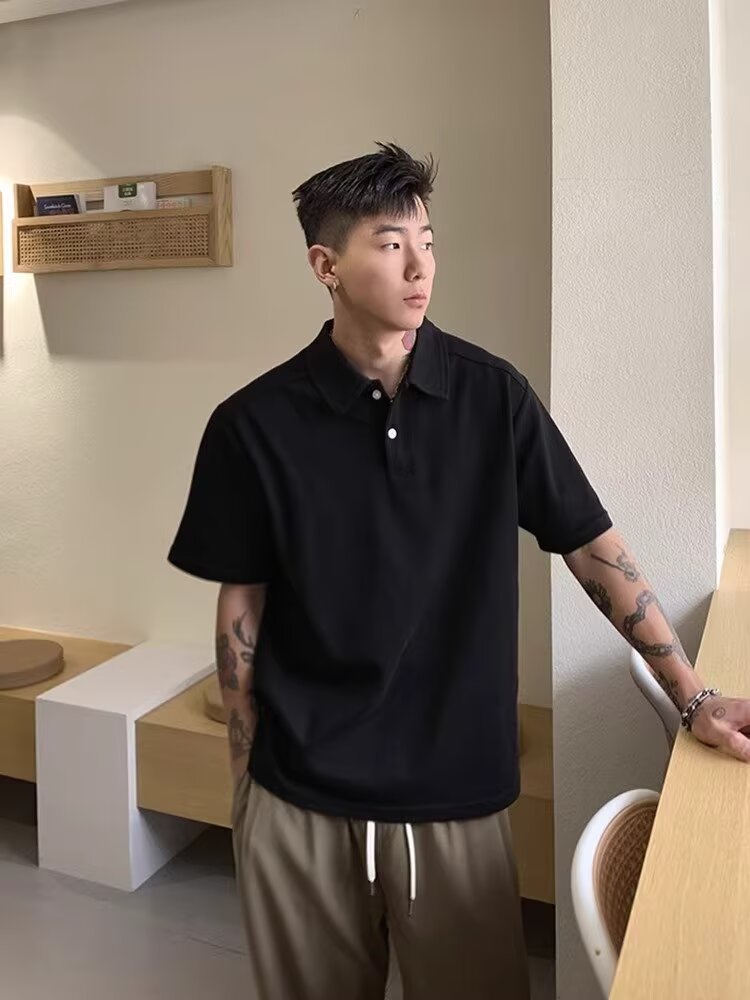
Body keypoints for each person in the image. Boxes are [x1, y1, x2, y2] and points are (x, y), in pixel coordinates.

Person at [167, 142, 750, 1000]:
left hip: (455, 792)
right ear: (326, 266)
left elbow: (593, 546)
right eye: (390, 243)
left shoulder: (492, 396)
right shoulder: (252, 424)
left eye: (428, 241)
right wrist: (246, 773)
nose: (420, 266)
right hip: (299, 796)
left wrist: (693, 699)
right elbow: (242, 600)